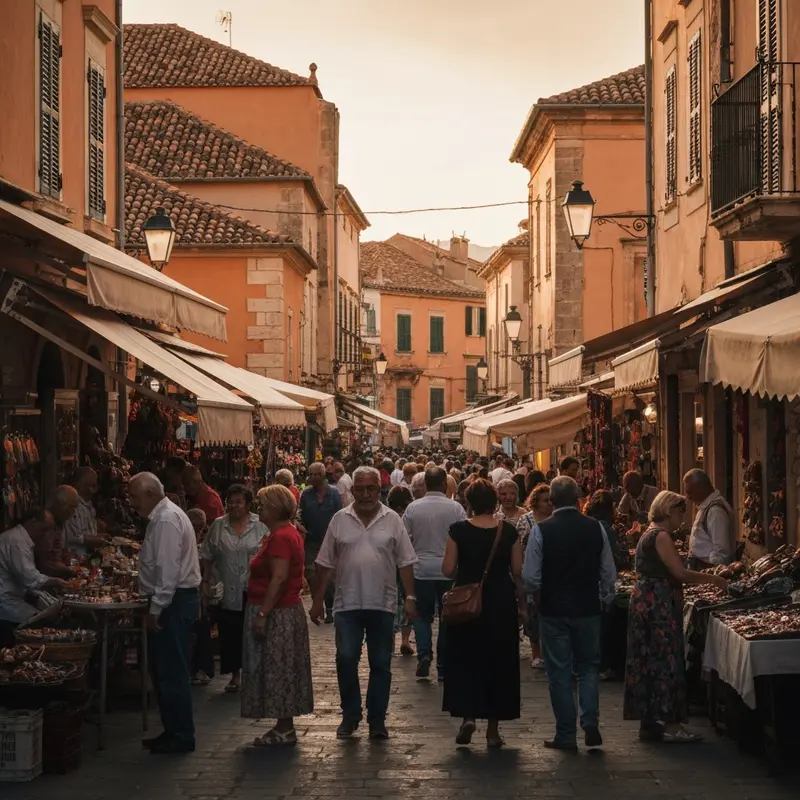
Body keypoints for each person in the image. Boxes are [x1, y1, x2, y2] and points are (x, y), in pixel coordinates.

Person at [311, 466, 419, 740]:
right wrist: (316, 601)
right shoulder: (339, 519)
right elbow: (324, 563)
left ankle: (377, 719)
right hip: (347, 603)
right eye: (360, 489)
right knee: (346, 659)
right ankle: (350, 715)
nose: (366, 494)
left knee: (380, 663)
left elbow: (406, 561)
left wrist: (410, 597)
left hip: (382, 603)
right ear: (353, 490)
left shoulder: (393, 519)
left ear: (379, 490)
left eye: (371, 488)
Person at [624, 491, 728, 743]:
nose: (684, 517)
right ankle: (671, 723)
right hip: (657, 604)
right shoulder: (661, 536)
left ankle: (650, 721)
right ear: (670, 511)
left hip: (648, 600)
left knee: (649, 658)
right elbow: (679, 573)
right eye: (681, 511)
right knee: (665, 657)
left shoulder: (649, 533)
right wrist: (713, 578)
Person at [523, 476, 616, 752]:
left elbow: (530, 577)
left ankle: (566, 733)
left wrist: (537, 600)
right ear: (579, 498)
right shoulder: (595, 528)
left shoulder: (542, 531)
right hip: (587, 608)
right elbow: (608, 572)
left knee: (559, 672)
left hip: (554, 610)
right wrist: (605, 599)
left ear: (552, 500)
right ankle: (589, 721)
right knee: (588, 667)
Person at [442, 479, 524, 748]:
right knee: (498, 663)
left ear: (469, 503)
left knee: (467, 659)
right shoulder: (509, 531)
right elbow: (518, 570)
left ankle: (468, 716)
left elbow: (447, 569)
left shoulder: (457, 530)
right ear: (495, 501)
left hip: (468, 602)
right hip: (500, 601)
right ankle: (493, 731)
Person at [131, 472, 201, 755]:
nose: (131, 503)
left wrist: (156, 607)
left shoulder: (166, 520)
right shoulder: (162, 518)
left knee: (172, 670)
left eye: (134, 497)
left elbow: (168, 570)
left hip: (174, 601)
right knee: (165, 669)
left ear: (150, 494)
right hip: (174, 600)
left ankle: (181, 734)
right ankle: (173, 729)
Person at [243, 485, 313, 746]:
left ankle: (284, 727)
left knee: (278, 667)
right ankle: (283, 725)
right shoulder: (283, 534)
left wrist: (262, 613)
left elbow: (279, 578)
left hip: (279, 612)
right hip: (282, 609)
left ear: (273, 508)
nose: (258, 509)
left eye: (262, 505)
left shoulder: (281, 536)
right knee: (280, 667)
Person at [200, 484, 267, 693]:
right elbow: (207, 555)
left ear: (247, 504)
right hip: (226, 587)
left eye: (239, 501)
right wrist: (205, 581)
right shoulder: (218, 525)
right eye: (231, 501)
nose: (234, 505)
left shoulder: (260, 525)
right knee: (230, 633)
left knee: (254, 632)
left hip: (253, 588)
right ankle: (235, 675)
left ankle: (255, 674)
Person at [403, 467, 467, 681]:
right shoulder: (456, 508)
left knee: (422, 616)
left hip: (421, 570)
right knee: (447, 618)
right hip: (448, 571)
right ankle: (443, 665)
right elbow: (462, 539)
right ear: (444, 484)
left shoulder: (413, 508)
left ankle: (424, 654)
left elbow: (405, 541)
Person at [0, 509, 68, 629]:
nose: (45, 534)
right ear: (33, 522)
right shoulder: (16, 540)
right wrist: (54, 581)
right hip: (6, 601)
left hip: (14, 596)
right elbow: (28, 576)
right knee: (40, 621)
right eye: (44, 529)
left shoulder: (20, 538)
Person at [298, 461, 342, 623]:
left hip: (330, 540)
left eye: (317, 474)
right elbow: (300, 514)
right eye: (311, 474)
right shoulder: (306, 494)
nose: (314, 477)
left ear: (324, 475)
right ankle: (319, 603)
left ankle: (330, 606)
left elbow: (339, 515)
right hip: (312, 540)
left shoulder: (334, 493)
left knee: (330, 576)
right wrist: (300, 526)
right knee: (311, 573)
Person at [516, 483, 553, 669]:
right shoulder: (526, 520)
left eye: (551, 500)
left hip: (551, 573)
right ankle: (536, 652)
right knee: (532, 613)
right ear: (536, 502)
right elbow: (521, 548)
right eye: (545, 500)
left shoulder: (555, 520)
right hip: (531, 570)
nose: (549, 504)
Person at [684, 469, 737, 569]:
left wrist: (709, 573)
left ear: (701, 487)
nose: (688, 497)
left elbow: (722, 552)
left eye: (690, 492)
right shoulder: (706, 507)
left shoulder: (715, 511)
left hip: (707, 568)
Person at [187, 508, 215, 687]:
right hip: (190, 590)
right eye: (196, 528)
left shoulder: (201, 543)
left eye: (202, 529)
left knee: (202, 625)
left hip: (197, 590)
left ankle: (202, 668)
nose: (198, 532)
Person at [387, 485, 415, 656]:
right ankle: (405, 640)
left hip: (389, 565)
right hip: (407, 564)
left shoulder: (387, 517)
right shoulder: (409, 517)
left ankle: (389, 639)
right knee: (408, 599)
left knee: (390, 601)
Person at [36, 486, 80, 577]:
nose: (73, 513)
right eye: (71, 508)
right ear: (60, 504)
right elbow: (45, 564)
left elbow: (62, 551)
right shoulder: (45, 525)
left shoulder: (60, 522)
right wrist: (69, 571)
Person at [64, 467, 108, 555]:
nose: (94, 490)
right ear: (79, 485)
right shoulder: (70, 504)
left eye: (95, 486)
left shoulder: (88, 503)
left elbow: (88, 531)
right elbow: (73, 537)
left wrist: (100, 537)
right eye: (92, 486)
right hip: (76, 557)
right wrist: (97, 540)